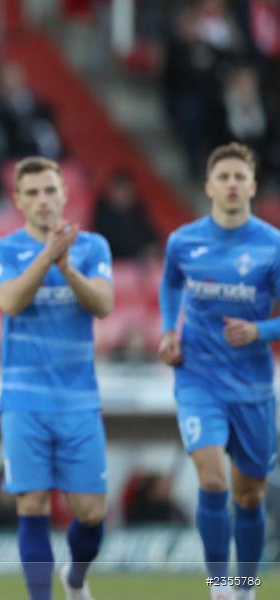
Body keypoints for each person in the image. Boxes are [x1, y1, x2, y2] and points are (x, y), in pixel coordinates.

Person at [0, 157, 114, 600]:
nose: (43, 200)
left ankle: (74, 578)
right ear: (18, 200)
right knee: (32, 503)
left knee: (91, 512)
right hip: (23, 400)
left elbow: (103, 305)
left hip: (79, 399)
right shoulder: (0, 249)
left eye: (49, 190)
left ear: (64, 194)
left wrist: (67, 268)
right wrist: (48, 256)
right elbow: (11, 301)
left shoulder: (93, 246)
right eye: (33, 192)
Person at [158, 142, 279, 600]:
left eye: (239, 177)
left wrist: (261, 330)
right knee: (211, 480)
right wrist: (170, 330)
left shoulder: (271, 245)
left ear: (251, 185)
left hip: (251, 386)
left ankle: (246, 587)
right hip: (197, 377)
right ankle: (219, 586)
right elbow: (170, 284)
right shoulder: (184, 241)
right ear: (209, 186)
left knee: (248, 497)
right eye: (223, 177)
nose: (231, 184)